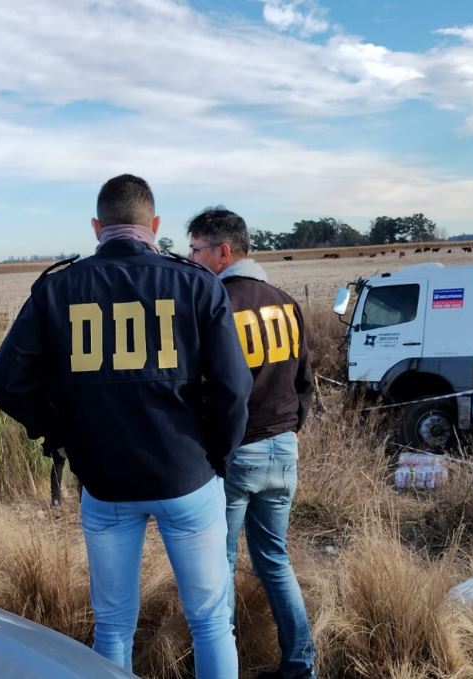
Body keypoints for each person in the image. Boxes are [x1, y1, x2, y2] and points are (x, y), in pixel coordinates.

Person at [0, 174, 252, 677]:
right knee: (210, 621)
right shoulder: (196, 283)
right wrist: (217, 456)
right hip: (186, 474)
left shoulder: (57, 288)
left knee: (112, 626)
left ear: (97, 227)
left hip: (104, 480)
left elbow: (7, 382)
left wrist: (60, 434)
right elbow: (234, 389)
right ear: (155, 225)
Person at [187, 208, 317, 679]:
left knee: (218, 564)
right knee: (275, 561)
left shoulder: (216, 303)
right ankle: (300, 665)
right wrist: (291, 429)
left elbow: (209, 388)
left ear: (223, 252)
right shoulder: (285, 301)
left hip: (238, 453)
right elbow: (305, 380)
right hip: (283, 451)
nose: (190, 259)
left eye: (196, 249)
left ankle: (222, 667)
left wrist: (216, 449)